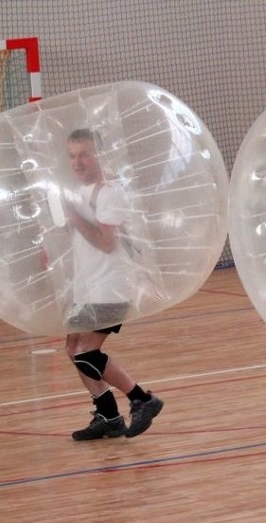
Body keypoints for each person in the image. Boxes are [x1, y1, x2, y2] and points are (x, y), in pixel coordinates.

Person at [61, 128, 164, 441]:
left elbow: (106, 243)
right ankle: (108, 415)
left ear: (99, 156)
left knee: (85, 353)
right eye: (72, 156)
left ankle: (142, 399)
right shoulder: (77, 193)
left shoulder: (109, 192)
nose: (77, 162)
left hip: (110, 287)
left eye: (84, 154)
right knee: (72, 348)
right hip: (88, 286)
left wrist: (75, 217)